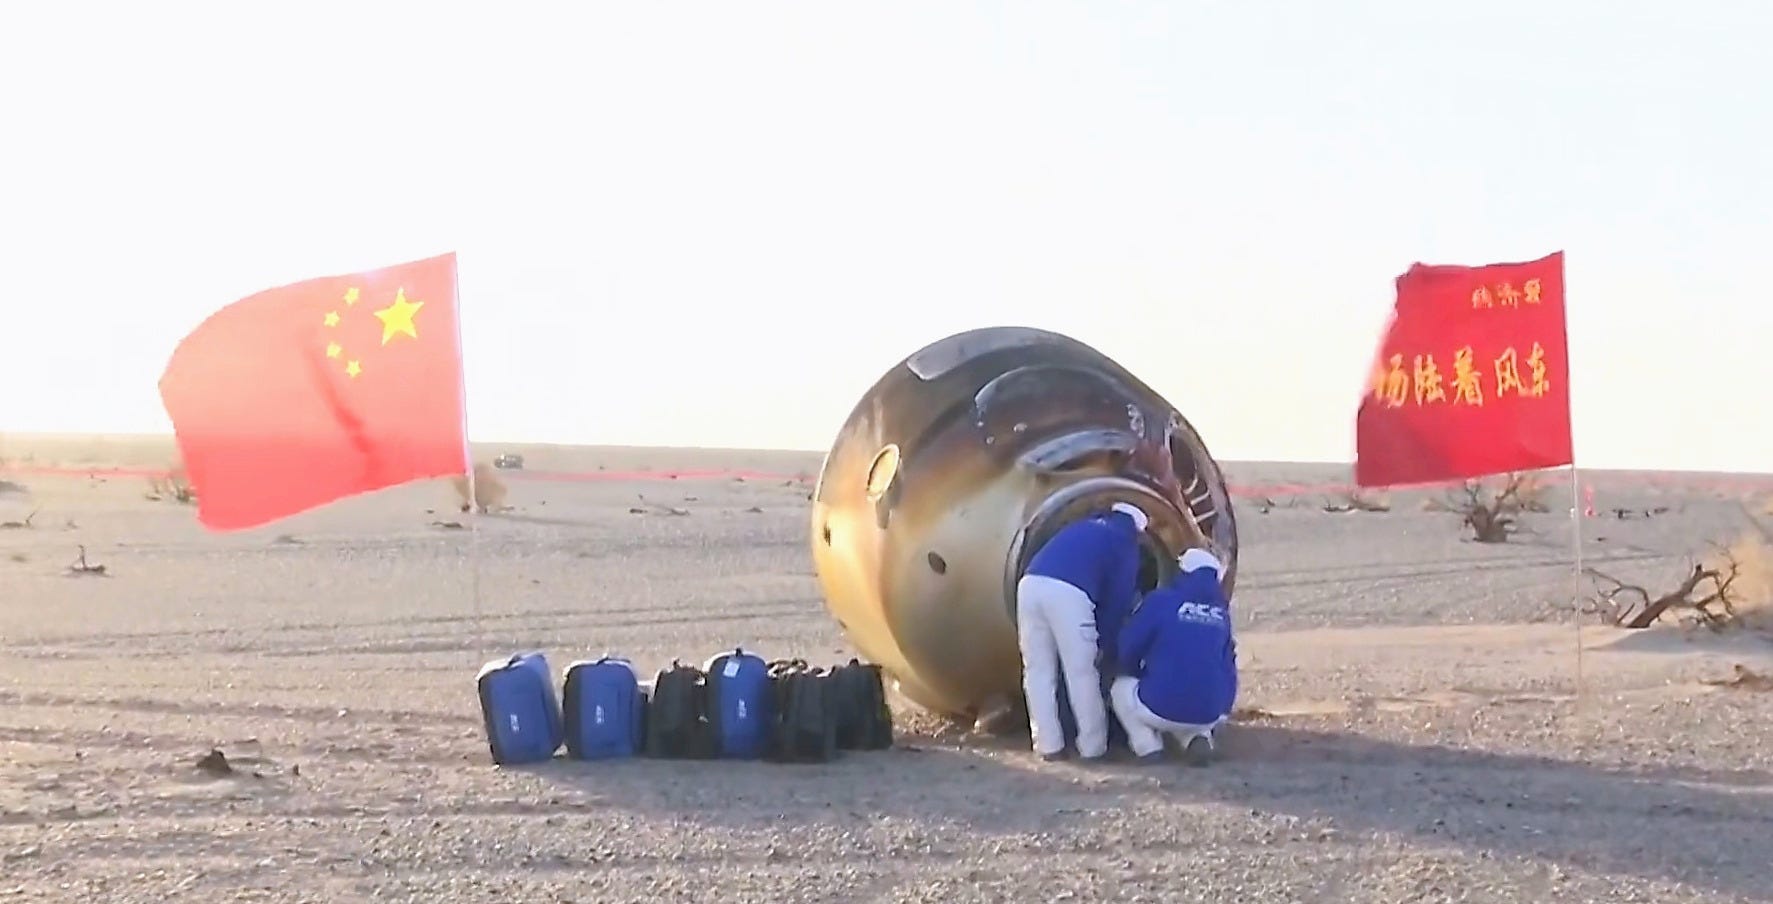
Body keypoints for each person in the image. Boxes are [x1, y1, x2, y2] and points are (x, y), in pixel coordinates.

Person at [1017, 501, 1148, 762]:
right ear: (1138, 530)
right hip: (1069, 595)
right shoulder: (1124, 543)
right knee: (1082, 672)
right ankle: (1092, 747)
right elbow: (1117, 601)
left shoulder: (1083, 526)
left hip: (1029, 585)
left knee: (1038, 671)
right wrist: (1107, 643)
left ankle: (1048, 745)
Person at [1111, 546, 1237, 766]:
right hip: (1210, 712)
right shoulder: (1222, 614)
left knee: (1121, 689)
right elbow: (1229, 666)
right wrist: (1223, 710)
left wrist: (1133, 671)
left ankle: (1148, 748)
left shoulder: (1161, 602)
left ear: (1184, 573)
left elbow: (1130, 647)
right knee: (1194, 698)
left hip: (1162, 706)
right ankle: (1199, 738)